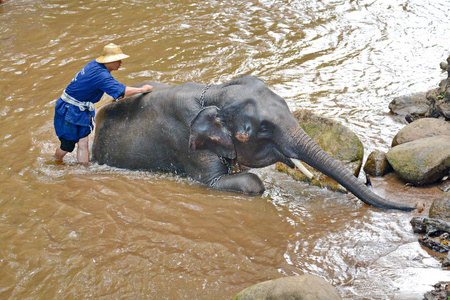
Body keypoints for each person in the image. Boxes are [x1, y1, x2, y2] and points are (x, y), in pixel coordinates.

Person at [53, 43, 153, 164]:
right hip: (70, 110)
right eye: (117, 60)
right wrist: (142, 89)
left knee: (83, 142)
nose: (120, 62)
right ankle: (55, 161)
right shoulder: (101, 75)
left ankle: (83, 172)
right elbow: (122, 91)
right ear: (109, 61)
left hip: (79, 108)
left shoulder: (95, 64)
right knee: (67, 145)